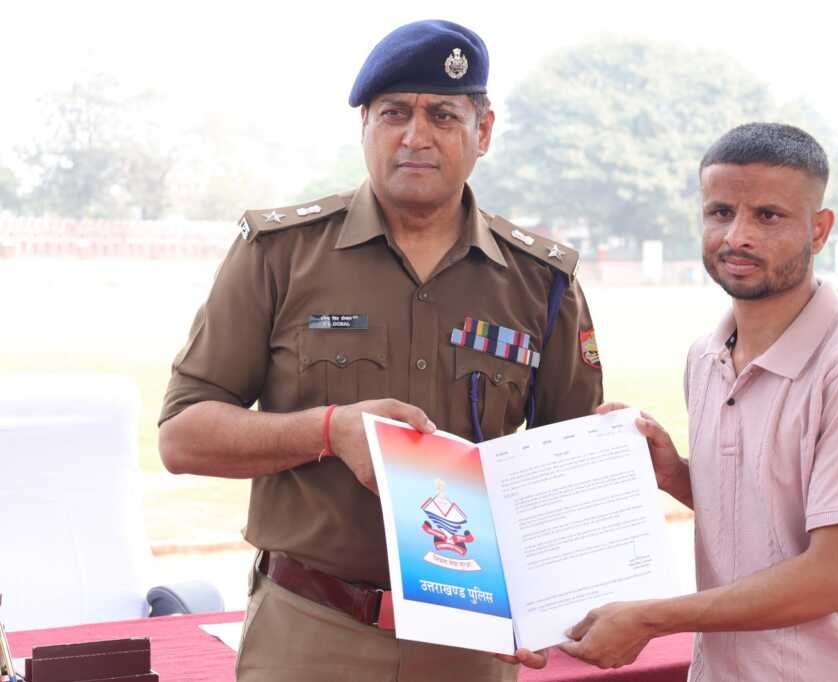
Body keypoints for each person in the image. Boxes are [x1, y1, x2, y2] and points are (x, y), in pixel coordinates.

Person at [157, 19, 602, 682]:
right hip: (311, 635)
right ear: (364, 125)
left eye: (443, 115)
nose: (416, 136)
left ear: (483, 131)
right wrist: (329, 431)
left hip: (472, 643)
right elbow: (182, 437)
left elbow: (570, 470)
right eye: (395, 113)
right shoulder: (280, 255)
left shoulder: (542, 282)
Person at [558, 123, 838, 680]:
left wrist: (651, 618)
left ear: (819, 230)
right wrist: (675, 474)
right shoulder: (706, 356)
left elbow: (830, 579)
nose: (737, 236)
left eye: (768, 216)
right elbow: (767, 523)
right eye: (720, 212)